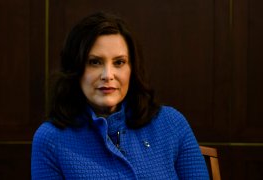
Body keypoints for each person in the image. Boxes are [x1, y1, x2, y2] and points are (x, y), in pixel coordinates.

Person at [31, 12, 209, 179]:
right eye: (94, 62)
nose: (108, 75)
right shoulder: (51, 139)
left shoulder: (171, 123)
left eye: (119, 62)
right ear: (75, 69)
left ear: (132, 69)